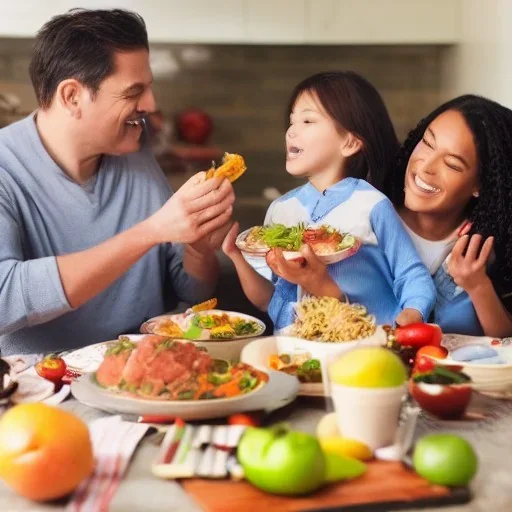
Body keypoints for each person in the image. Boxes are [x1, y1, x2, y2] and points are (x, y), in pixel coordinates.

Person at [0, 9, 235, 355]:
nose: (151, 105)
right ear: (72, 97)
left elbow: (193, 294)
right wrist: (151, 231)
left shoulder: (135, 153)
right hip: (45, 388)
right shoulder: (6, 168)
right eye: (133, 92)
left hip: (148, 373)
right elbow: (5, 299)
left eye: (149, 89)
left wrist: (198, 246)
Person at [223, 71, 436, 331]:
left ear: (349, 142)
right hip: (297, 351)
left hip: (366, 348)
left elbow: (411, 273)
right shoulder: (281, 210)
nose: (291, 131)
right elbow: (271, 301)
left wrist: (413, 314)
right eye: (291, 121)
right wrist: (235, 255)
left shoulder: (370, 204)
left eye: (307, 120)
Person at [385, 95, 512, 337]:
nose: (425, 166)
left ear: (481, 185)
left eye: (452, 164)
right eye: (427, 143)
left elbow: (505, 341)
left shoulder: (485, 246)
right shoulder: (372, 219)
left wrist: (477, 285)